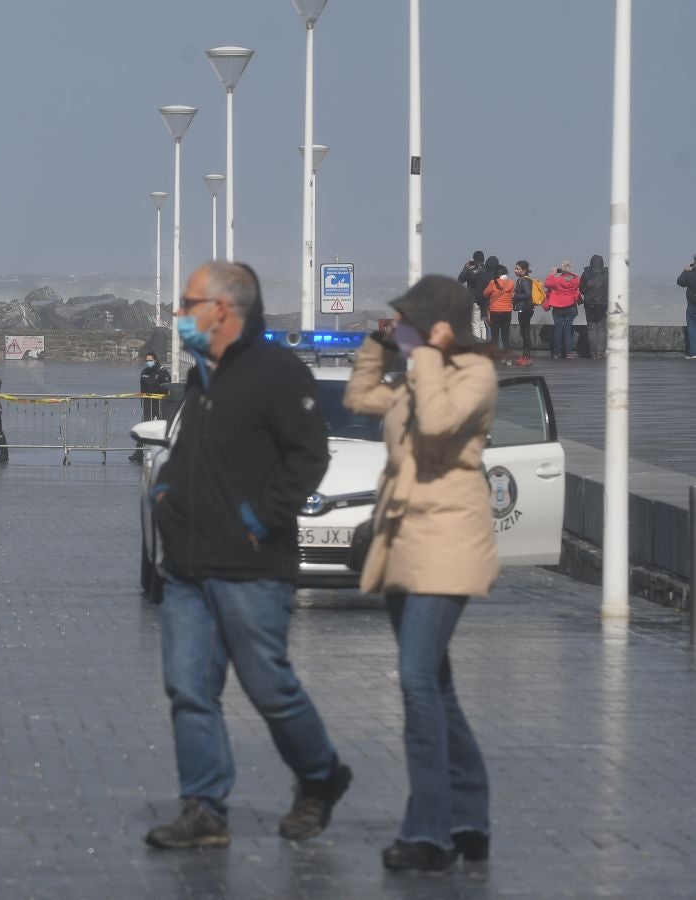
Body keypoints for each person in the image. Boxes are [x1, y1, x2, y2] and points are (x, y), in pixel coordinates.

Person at [144, 260, 351, 851]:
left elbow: (307, 457)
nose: (179, 315)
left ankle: (319, 776)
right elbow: (193, 454)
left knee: (269, 688)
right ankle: (204, 808)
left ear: (223, 309)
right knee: (189, 688)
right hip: (186, 567)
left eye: (188, 304)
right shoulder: (203, 374)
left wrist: (259, 518)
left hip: (252, 568)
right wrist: (166, 495)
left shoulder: (278, 372)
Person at [342, 275, 496, 872]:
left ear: (437, 329)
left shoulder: (473, 376)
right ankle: (470, 817)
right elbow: (360, 400)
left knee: (414, 681)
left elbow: (435, 425)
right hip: (405, 541)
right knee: (437, 686)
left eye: (408, 322)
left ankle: (429, 832)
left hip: (448, 540)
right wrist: (378, 351)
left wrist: (426, 357)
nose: (399, 328)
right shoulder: (415, 377)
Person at [129, 350, 171, 463]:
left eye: (150, 360)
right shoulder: (144, 372)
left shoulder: (163, 372)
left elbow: (167, 387)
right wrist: (143, 402)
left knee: (164, 427)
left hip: (160, 402)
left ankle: (168, 451)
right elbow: (142, 389)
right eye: (147, 361)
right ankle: (138, 453)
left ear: (155, 360)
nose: (148, 362)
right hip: (148, 402)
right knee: (144, 426)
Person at [544, 261, 582, 359]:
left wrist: (552, 273)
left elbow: (547, 284)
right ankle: (568, 352)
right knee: (568, 330)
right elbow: (577, 283)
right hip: (571, 307)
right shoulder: (576, 280)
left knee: (558, 329)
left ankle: (556, 352)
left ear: (562, 270)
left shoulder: (557, 281)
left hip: (558, 308)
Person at [579, 253, 609, 358]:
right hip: (603, 305)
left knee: (591, 328)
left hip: (589, 305)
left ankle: (592, 352)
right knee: (602, 328)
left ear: (591, 263)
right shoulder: (607, 274)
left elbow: (581, 290)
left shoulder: (586, 274)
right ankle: (600, 352)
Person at [482, 263, 514, 356]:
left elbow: (485, 294)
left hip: (495, 311)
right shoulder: (511, 283)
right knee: (505, 336)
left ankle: (495, 355)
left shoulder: (493, 283)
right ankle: (507, 357)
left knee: (495, 335)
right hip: (507, 311)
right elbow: (512, 295)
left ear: (497, 274)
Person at [457, 251, 488, 341]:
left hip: (473, 300)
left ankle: (478, 346)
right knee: (482, 324)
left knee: (475, 324)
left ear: (474, 260)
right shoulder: (487, 270)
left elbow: (460, 280)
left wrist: (465, 268)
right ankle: (485, 345)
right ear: (484, 259)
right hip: (484, 301)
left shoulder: (469, 271)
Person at [511, 260, 536, 366]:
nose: (515, 270)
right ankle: (525, 356)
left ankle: (527, 357)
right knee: (524, 332)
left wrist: (514, 295)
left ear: (524, 270)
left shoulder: (524, 280)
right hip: (526, 308)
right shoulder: (523, 279)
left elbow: (528, 294)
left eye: (518, 269)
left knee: (525, 333)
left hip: (525, 309)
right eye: (515, 268)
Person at [678, 256, 696, 359]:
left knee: (692, 329)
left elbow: (680, 282)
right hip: (692, 306)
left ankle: (694, 353)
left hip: (692, 306)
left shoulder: (690, 273)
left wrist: (686, 270)